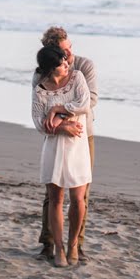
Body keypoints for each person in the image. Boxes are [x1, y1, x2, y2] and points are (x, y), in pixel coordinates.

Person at [31, 26, 97, 261]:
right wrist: (62, 127)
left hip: (82, 135)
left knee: (81, 195)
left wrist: (59, 112)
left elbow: (90, 100)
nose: (69, 55)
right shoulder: (40, 80)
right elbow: (39, 119)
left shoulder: (83, 68)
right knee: (53, 197)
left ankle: (76, 245)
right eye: (63, 51)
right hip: (54, 142)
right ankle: (50, 245)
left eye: (69, 48)